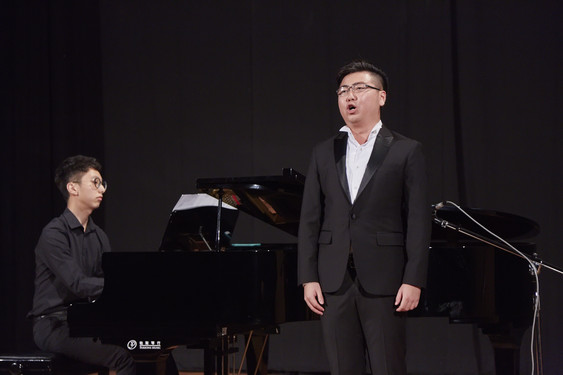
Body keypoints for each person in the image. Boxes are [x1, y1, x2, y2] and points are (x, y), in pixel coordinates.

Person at [298, 60, 431, 375]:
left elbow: (417, 220)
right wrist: (308, 277)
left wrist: (413, 279)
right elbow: (309, 220)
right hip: (334, 281)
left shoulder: (406, 151)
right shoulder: (323, 152)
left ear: (381, 97)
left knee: (388, 367)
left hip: (386, 280)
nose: (349, 96)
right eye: (343, 91)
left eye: (359, 88)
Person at [27, 155, 137, 375]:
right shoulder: (54, 234)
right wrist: (122, 288)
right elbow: (77, 283)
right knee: (122, 357)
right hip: (54, 324)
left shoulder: (99, 236)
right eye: (95, 183)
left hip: (88, 322)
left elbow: (108, 281)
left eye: (102, 184)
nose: (102, 190)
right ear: (73, 188)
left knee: (153, 349)